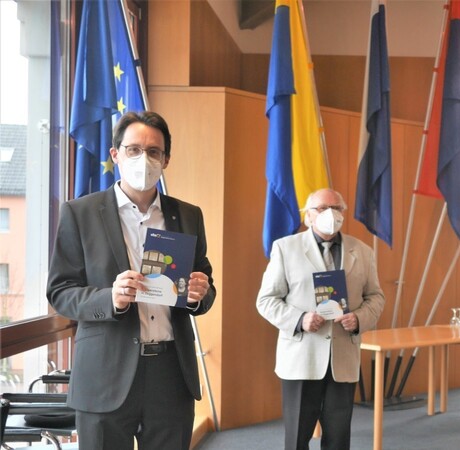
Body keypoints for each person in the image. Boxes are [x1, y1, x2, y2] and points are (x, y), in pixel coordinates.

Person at [46, 111, 216, 450]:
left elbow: (204, 280)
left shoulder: (187, 215)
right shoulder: (79, 214)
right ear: (116, 154)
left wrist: (200, 293)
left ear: (166, 159)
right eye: (134, 149)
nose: (144, 159)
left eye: (154, 152)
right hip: (104, 376)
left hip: (170, 375)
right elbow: (60, 292)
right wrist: (111, 298)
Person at [256, 188, 385, 450]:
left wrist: (359, 319)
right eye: (322, 208)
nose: (330, 214)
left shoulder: (362, 251)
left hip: (342, 360)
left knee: (338, 440)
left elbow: (376, 297)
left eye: (336, 208)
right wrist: (300, 319)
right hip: (301, 358)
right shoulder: (285, 248)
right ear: (308, 216)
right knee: (296, 439)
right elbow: (266, 301)